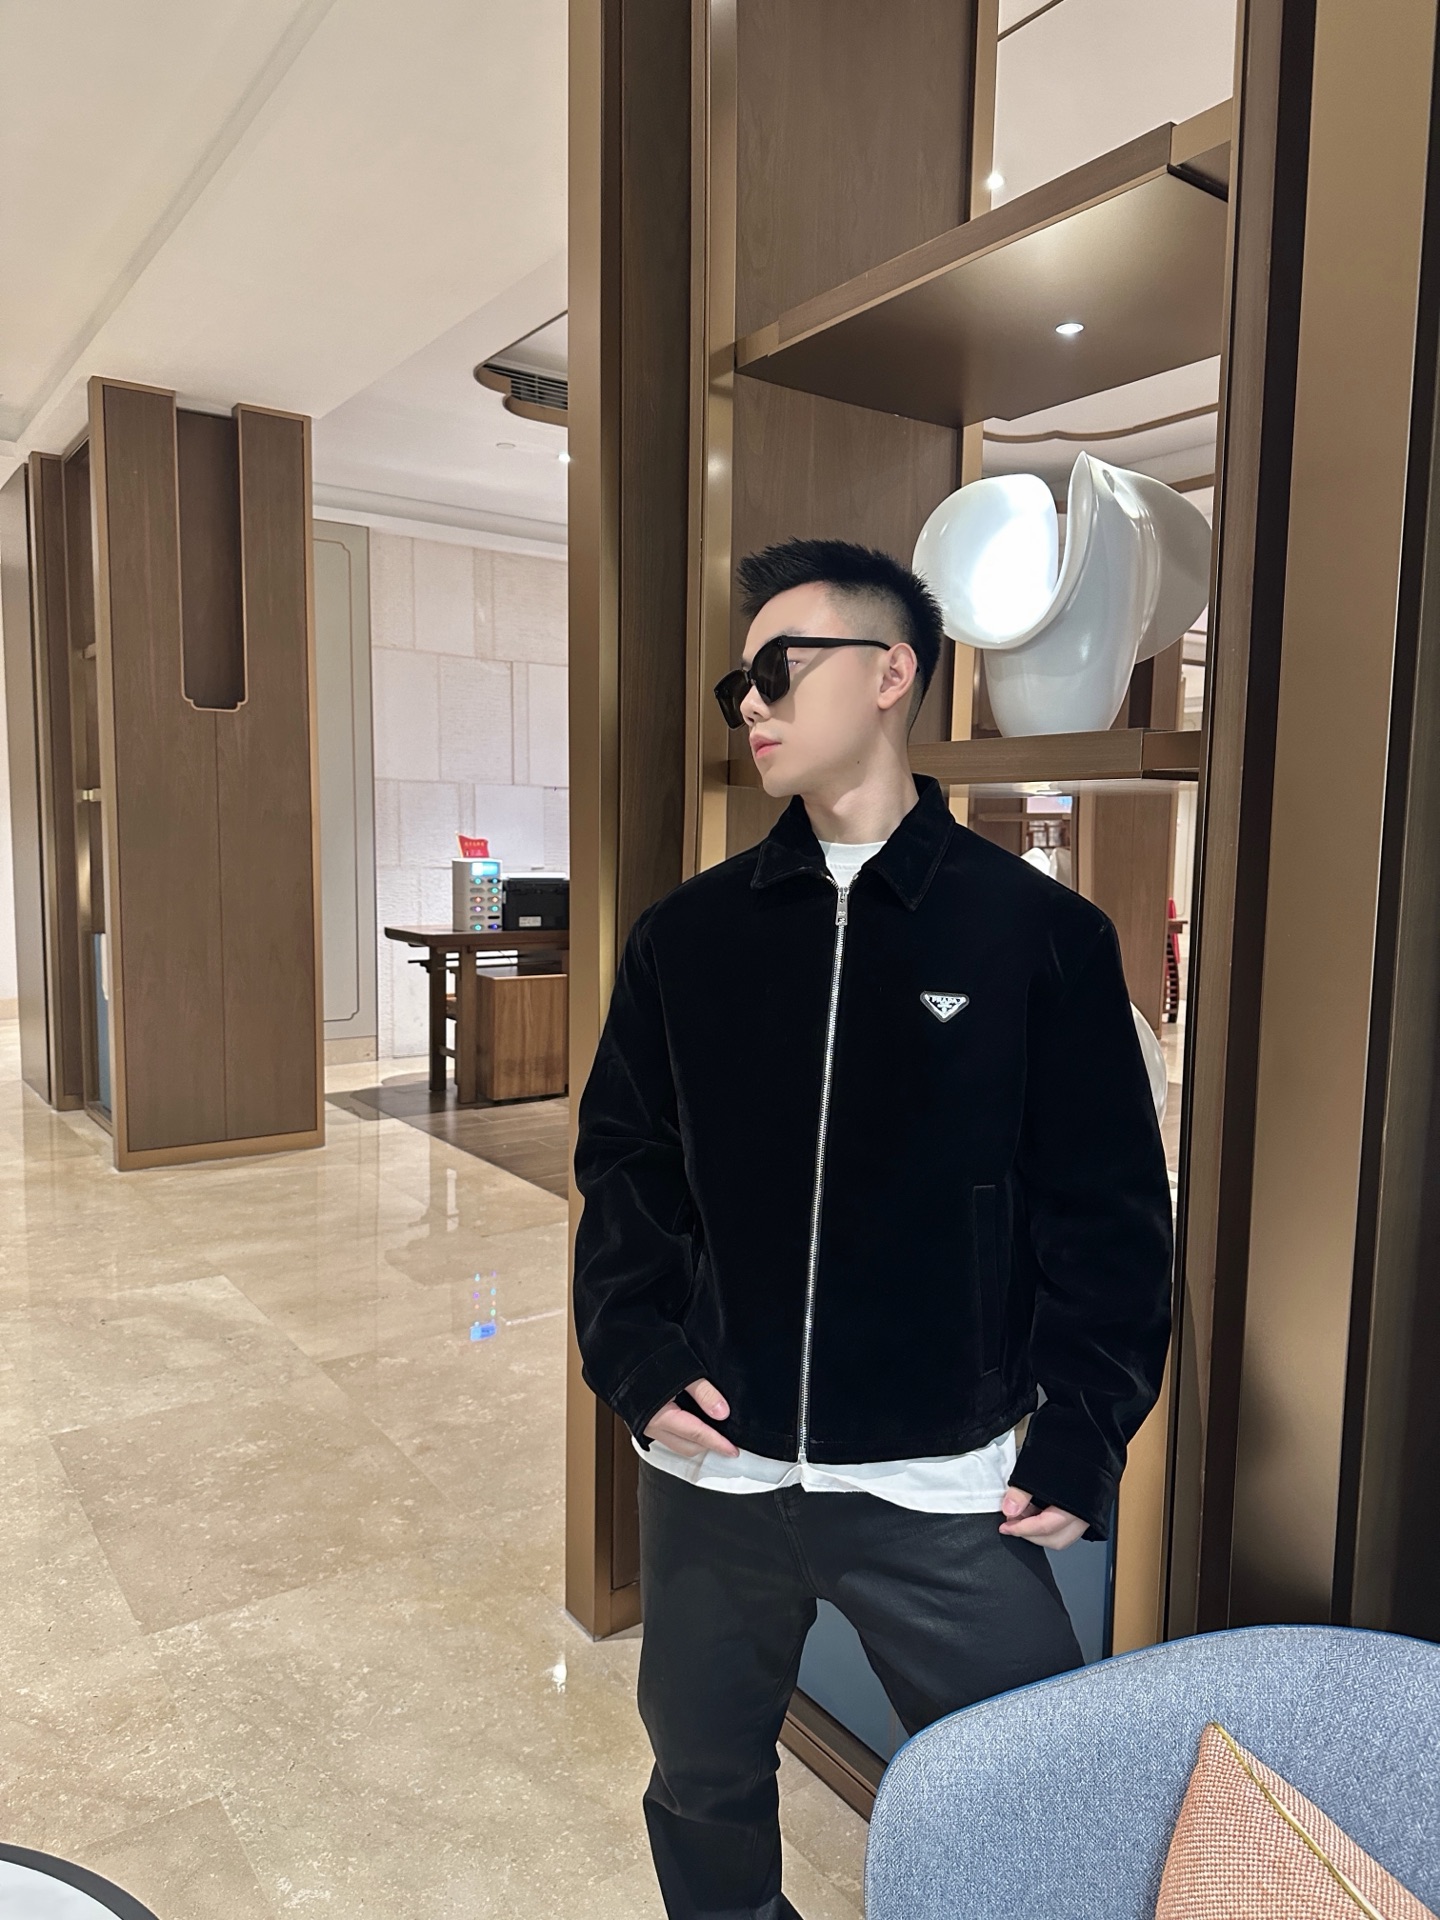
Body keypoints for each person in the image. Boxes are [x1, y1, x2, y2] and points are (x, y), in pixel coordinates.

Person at [571, 537, 1174, 1920]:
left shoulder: (1039, 936)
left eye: (781, 669)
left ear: (893, 673)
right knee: (700, 1783)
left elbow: (1106, 1213)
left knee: (1034, 1800)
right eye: (739, 683)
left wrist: (1084, 1427)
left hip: (943, 1480)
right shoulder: (688, 938)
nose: (751, 703)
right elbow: (627, 1171)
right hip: (719, 1470)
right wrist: (637, 1359)